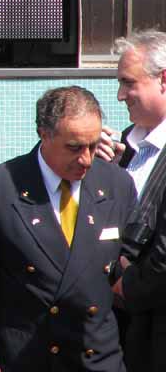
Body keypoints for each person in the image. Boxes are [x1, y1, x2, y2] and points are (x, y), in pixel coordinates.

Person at [0, 86, 136, 372]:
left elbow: (127, 269)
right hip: (30, 357)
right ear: (44, 134)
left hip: (97, 358)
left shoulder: (116, 184)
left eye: (92, 145)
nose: (87, 159)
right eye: (74, 147)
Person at [95, 30, 166, 372]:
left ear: (163, 80)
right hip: (117, 330)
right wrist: (96, 173)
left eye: (128, 83)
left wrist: (130, 287)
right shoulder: (123, 146)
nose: (120, 95)